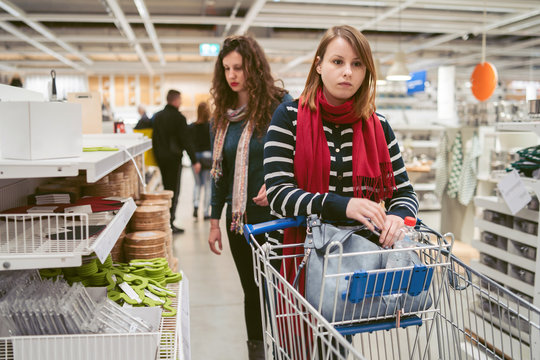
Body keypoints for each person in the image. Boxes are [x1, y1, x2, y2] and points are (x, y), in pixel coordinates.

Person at [263, 25, 418, 352]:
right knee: (298, 348)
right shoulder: (289, 117)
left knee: (337, 344)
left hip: (352, 266)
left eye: (357, 64)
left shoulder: (379, 125)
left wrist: (397, 219)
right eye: (337, 61)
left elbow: (403, 193)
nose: (347, 71)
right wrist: (341, 205)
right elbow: (277, 194)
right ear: (319, 65)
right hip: (298, 261)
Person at [207, 35, 291, 360]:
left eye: (239, 67)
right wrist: (214, 221)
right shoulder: (222, 117)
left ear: (253, 67)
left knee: (281, 294)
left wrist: (279, 182)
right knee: (251, 293)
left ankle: (286, 351)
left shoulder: (280, 105)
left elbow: (300, 154)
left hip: (278, 219)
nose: (232, 75)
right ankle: (257, 353)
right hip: (239, 224)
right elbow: (220, 176)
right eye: (226, 68)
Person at [152, 89, 201, 233]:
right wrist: (194, 160)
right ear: (176, 100)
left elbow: (153, 137)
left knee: (166, 189)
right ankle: (170, 223)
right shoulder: (179, 118)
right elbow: (186, 141)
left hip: (161, 158)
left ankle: (165, 221)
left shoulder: (158, 117)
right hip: (173, 159)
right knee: (173, 190)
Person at [189, 101, 212, 220]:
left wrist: (194, 161)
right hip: (208, 157)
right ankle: (206, 211)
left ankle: (196, 206)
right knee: (208, 185)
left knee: (197, 184)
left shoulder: (192, 127)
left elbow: (190, 144)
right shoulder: (211, 126)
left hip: (196, 158)